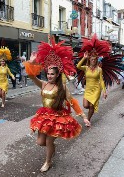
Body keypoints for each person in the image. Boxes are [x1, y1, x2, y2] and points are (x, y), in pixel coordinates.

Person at [24, 39, 90, 172]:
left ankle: (48, 162)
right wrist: (32, 62)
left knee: (48, 141)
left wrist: (83, 116)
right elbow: (31, 76)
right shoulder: (43, 84)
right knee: (40, 142)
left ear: (57, 74)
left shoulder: (62, 87)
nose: (49, 76)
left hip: (57, 117)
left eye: (52, 74)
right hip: (44, 116)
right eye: (48, 73)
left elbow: (73, 102)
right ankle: (52, 149)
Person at [77, 51, 107, 121]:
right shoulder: (86, 68)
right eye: (92, 59)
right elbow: (78, 66)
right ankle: (92, 109)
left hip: (96, 90)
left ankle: (88, 119)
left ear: (96, 60)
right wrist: (84, 58)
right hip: (88, 90)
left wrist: (104, 92)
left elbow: (102, 81)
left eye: (94, 59)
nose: (93, 61)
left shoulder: (99, 69)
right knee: (85, 105)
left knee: (91, 105)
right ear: (89, 60)